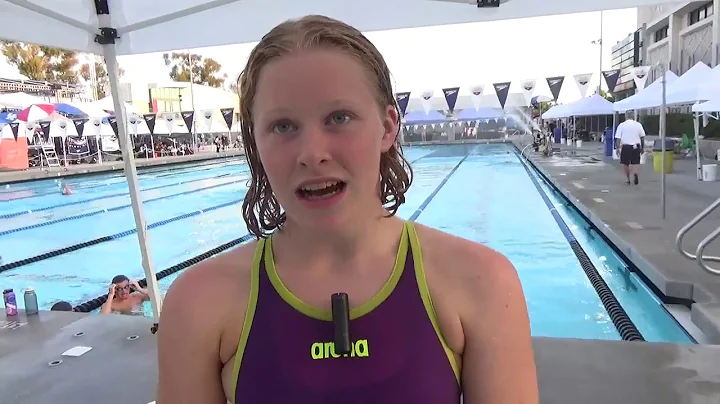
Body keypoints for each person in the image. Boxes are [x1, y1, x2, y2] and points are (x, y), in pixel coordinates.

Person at [157, 15, 537, 404]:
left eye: (339, 118)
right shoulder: (199, 302)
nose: (312, 154)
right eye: (283, 126)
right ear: (256, 141)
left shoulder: (481, 283)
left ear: (388, 127)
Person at [614, 111, 646, 185]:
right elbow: (642, 137)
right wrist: (642, 148)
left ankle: (628, 180)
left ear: (626, 116)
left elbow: (618, 138)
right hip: (636, 146)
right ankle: (635, 173)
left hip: (626, 147)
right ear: (633, 116)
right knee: (636, 162)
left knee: (625, 163)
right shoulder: (638, 125)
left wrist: (617, 148)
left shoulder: (621, 125)